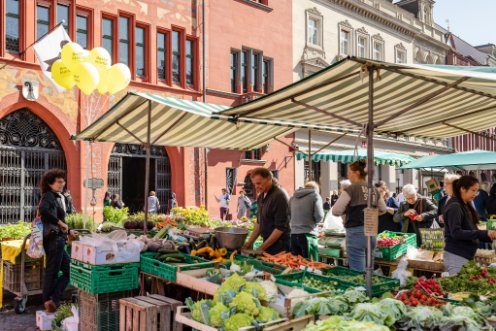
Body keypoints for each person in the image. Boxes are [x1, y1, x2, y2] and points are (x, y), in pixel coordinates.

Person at [332, 160, 387, 272]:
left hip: (356, 233)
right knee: (369, 271)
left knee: (358, 272)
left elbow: (336, 211)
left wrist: (346, 211)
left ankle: (361, 289)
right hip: (371, 232)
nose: (348, 175)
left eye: (349, 172)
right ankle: (369, 289)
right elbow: (383, 209)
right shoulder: (374, 189)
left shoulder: (351, 189)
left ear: (357, 172)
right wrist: (370, 213)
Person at [39, 169, 76, 312]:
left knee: (69, 271)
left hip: (59, 239)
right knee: (52, 272)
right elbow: (44, 211)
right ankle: (48, 300)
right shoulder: (48, 195)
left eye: (63, 181)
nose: (62, 184)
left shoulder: (58, 197)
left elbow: (62, 218)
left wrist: (69, 229)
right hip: (53, 239)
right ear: (50, 183)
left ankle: (54, 298)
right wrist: (59, 223)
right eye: (59, 181)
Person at [443, 176, 496, 275]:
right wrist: (482, 233)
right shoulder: (455, 206)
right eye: (473, 190)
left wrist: (488, 234)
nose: (475, 194)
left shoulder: (464, 205)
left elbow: (470, 230)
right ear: (463, 189)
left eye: (477, 191)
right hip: (456, 256)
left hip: (465, 255)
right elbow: (456, 233)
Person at [243, 168, 290, 255]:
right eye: (254, 184)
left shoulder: (279, 195)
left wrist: (261, 247)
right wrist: (250, 242)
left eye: (259, 183)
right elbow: (259, 222)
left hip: (281, 246)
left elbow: (280, 228)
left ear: (268, 179)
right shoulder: (261, 196)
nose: (256, 186)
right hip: (268, 244)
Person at [289, 181, 324, 260]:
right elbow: (320, 215)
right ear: (316, 189)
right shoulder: (315, 195)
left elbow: (288, 214)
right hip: (308, 235)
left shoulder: (293, 197)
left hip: (293, 235)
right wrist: (315, 221)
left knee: (296, 264)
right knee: (311, 265)